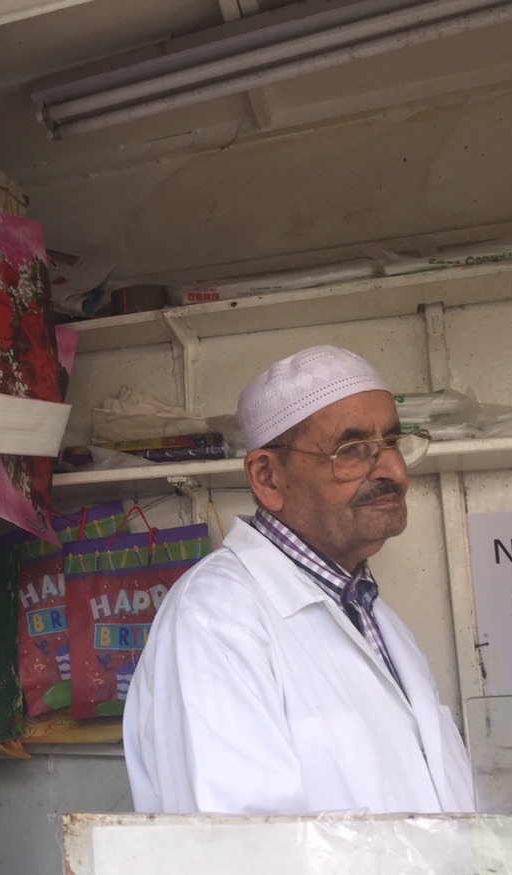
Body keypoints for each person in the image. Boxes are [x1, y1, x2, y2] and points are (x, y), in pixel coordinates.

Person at [123, 344, 476, 815]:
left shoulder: (367, 608)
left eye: (393, 442)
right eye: (352, 450)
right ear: (268, 477)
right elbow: (238, 847)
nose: (394, 470)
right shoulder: (213, 619)